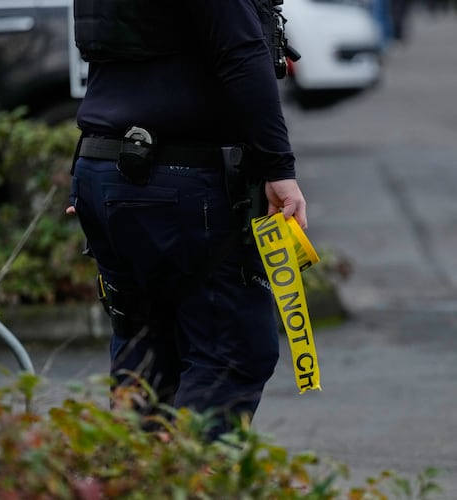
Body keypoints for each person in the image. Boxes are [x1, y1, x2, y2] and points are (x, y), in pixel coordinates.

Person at [68, 0, 307, 439]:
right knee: (232, 354)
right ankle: (182, 483)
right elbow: (241, 55)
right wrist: (279, 169)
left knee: (145, 350)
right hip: (179, 178)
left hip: (104, 168)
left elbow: (114, 53)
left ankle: (131, 480)